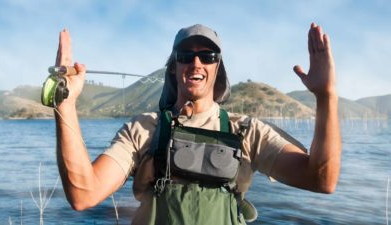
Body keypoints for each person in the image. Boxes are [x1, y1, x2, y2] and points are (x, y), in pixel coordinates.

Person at [54, 23, 341, 224]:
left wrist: (326, 97)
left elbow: (321, 180)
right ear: (173, 67)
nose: (196, 63)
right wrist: (64, 101)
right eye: (185, 55)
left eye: (208, 56)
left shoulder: (248, 132)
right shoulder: (143, 129)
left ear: (218, 68)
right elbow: (83, 194)